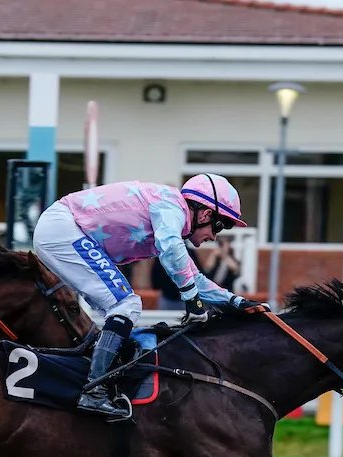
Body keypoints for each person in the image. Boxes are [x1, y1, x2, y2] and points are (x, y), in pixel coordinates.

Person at [32, 173, 268, 418]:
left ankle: (93, 379)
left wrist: (235, 302)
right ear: (206, 214)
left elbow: (195, 278)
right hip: (63, 228)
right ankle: (94, 391)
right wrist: (192, 301)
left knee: (120, 308)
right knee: (125, 304)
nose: (215, 236)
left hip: (63, 229)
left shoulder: (172, 217)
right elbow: (170, 249)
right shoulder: (171, 206)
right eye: (221, 225)